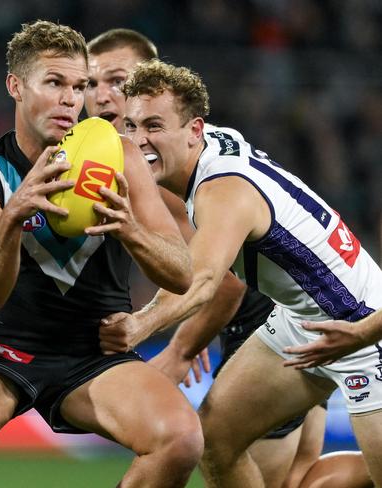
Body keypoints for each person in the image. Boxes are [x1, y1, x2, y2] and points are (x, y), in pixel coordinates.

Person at [85, 29, 372, 488]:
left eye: (153, 126)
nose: (138, 139)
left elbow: (202, 279)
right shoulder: (202, 148)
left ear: (193, 129)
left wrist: (145, 327)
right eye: (133, 126)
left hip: (359, 324)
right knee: (215, 442)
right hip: (298, 317)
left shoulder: (221, 189)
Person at [0, 20, 203, 488]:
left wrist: (131, 230)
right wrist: (13, 214)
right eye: (55, 83)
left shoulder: (118, 154)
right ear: (16, 86)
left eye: (79, 86)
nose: (70, 100)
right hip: (7, 347)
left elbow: (181, 271)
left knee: (181, 439)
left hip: (94, 351)